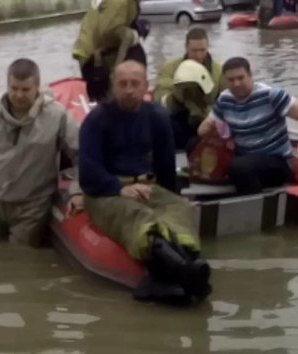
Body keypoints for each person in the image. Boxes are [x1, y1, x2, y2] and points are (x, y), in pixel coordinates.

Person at [78, 59, 211, 305]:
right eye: (123, 84)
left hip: (148, 185)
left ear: (145, 86)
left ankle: (182, 271)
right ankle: (182, 272)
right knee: (138, 216)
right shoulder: (96, 121)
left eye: (135, 83)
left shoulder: (158, 116)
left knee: (179, 210)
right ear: (113, 87)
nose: (129, 89)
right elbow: (88, 170)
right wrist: (120, 188)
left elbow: (165, 165)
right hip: (106, 192)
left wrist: (173, 196)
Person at [0, 58, 83, 247]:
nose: (19, 95)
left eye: (25, 90)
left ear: (37, 88)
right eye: (14, 88)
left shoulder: (57, 116)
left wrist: (77, 191)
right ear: (7, 86)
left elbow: (83, 155)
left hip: (32, 206)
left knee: (18, 258)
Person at [197, 57, 298, 195]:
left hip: (275, 160)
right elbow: (204, 128)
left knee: (238, 167)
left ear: (250, 75)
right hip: (245, 156)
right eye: (231, 80)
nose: (236, 84)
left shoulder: (271, 95)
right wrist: (206, 129)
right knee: (193, 144)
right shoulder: (224, 99)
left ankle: (256, 204)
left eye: (240, 78)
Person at [71, 0, 163, 102]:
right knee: (108, 101)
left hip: (95, 51)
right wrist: (133, 34)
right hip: (94, 58)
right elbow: (109, 31)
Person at [153, 28, 225, 151]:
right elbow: (160, 99)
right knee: (162, 122)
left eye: (202, 50)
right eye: (194, 51)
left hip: (208, 119)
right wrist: (178, 96)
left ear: (208, 47)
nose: (198, 55)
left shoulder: (219, 70)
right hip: (179, 118)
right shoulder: (170, 68)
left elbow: (226, 100)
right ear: (186, 47)